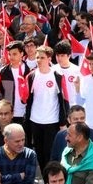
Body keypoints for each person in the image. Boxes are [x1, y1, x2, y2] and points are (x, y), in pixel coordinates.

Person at [25, 46, 69, 176]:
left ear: (49, 58)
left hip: (52, 120)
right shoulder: (31, 76)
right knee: (39, 152)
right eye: (37, 57)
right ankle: (45, 180)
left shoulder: (57, 76)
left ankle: (51, 178)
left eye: (42, 57)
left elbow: (64, 99)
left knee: (50, 152)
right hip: (35, 119)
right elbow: (26, 97)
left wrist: (63, 121)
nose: (39, 60)